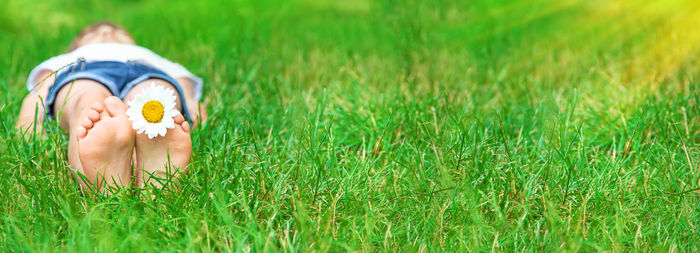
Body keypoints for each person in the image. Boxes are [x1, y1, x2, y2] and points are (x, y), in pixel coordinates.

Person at [16, 21, 208, 193]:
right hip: (85, 72)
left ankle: (137, 174)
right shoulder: (64, 60)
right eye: (94, 33)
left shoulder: (151, 57)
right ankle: (109, 177)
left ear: (133, 42)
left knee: (158, 97)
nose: (107, 32)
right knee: (88, 103)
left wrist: (195, 114)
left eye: (118, 33)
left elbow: (186, 90)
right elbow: (38, 94)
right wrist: (31, 126)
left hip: (147, 73)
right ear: (75, 46)